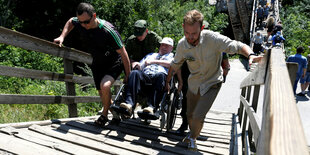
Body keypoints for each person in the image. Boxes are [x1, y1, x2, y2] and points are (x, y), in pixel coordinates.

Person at [165, 10, 262, 151]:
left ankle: (193, 139)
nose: (190, 37)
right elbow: (174, 65)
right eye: (187, 33)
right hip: (194, 84)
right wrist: (167, 81)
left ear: (202, 28)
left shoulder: (213, 39)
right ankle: (192, 133)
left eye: (194, 33)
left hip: (212, 83)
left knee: (198, 116)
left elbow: (237, 46)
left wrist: (251, 55)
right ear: (183, 27)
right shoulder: (182, 45)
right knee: (190, 115)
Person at [53, 2, 131, 126]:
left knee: (105, 86)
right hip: (98, 61)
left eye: (86, 22)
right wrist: (62, 37)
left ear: (94, 16)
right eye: (81, 22)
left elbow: (123, 53)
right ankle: (115, 113)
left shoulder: (108, 30)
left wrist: (129, 75)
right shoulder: (80, 22)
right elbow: (70, 22)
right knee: (102, 92)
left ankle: (104, 115)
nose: (83, 25)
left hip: (114, 62)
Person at [174, 20, 231, 135]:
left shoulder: (214, 42)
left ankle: (194, 128)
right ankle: (185, 124)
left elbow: (225, 61)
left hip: (207, 77)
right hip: (189, 73)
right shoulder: (187, 41)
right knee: (186, 100)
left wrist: (224, 73)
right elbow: (178, 61)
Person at [119, 37, 174, 116]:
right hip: (146, 77)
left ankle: (151, 107)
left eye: (167, 45)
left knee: (160, 75)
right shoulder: (151, 55)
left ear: (171, 48)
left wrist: (153, 62)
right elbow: (141, 65)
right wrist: (136, 64)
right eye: (162, 45)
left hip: (159, 79)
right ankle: (129, 104)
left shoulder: (172, 57)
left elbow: (171, 65)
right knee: (134, 73)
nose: (164, 47)